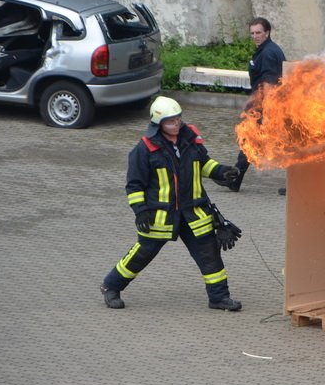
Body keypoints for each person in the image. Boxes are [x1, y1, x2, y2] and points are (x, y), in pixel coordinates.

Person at [100, 96, 243, 311]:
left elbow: (204, 164)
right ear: (158, 124)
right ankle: (111, 286)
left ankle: (219, 297)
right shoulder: (144, 149)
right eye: (170, 121)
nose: (176, 124)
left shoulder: (190, 139)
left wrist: (223, 171)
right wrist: (140, 212)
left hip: (193, 212)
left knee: (209, 253)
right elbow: (134, 185)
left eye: (178, 119)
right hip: (161, 215)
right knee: (143, 253)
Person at [227, 17, 286, 193]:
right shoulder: (266, 50)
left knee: (253, 139)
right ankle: (235, 178)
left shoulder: (268, 53)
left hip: (265, 105)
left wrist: (257, 104)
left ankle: (235, 179)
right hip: (268, 104)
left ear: (267, 32)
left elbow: (268, 83)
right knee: (250, 139)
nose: (255, 36)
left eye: (258, 32)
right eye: (252, 33)